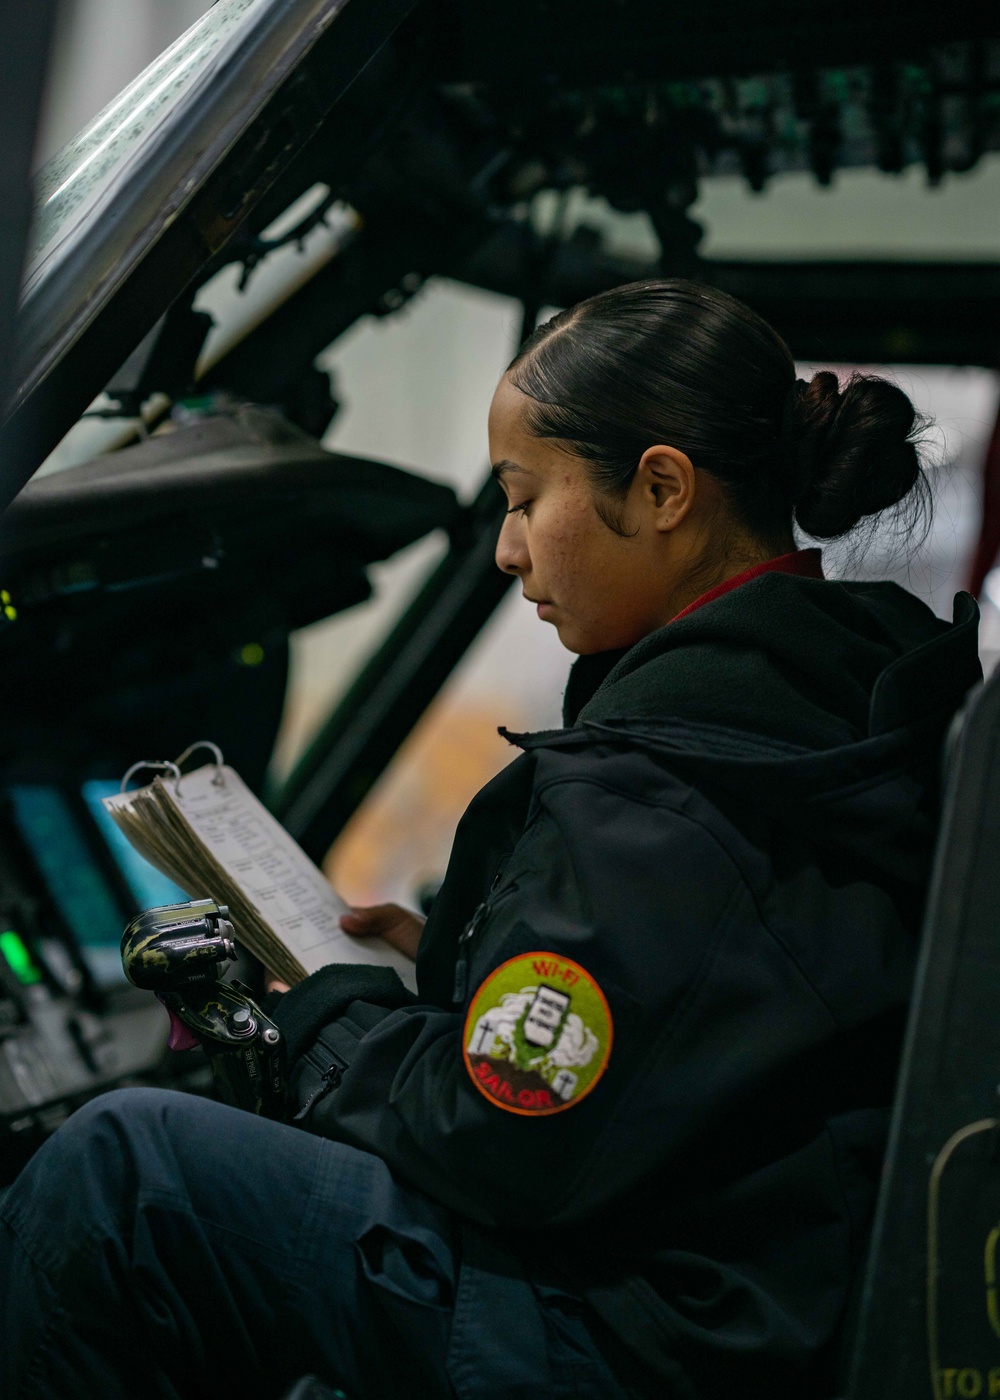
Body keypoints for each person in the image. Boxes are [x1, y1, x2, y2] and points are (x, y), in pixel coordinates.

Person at [0, 280, 981, 1400]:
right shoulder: (840, 690)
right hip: (770, 1293)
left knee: (126, 1169)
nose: (509, 549)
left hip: (653, 1332)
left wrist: (329, 1007)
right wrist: (454, 966)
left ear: (661, 488)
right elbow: (689, 1010)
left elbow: (501, 1134)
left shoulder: (664, 788)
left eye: (524, 499)